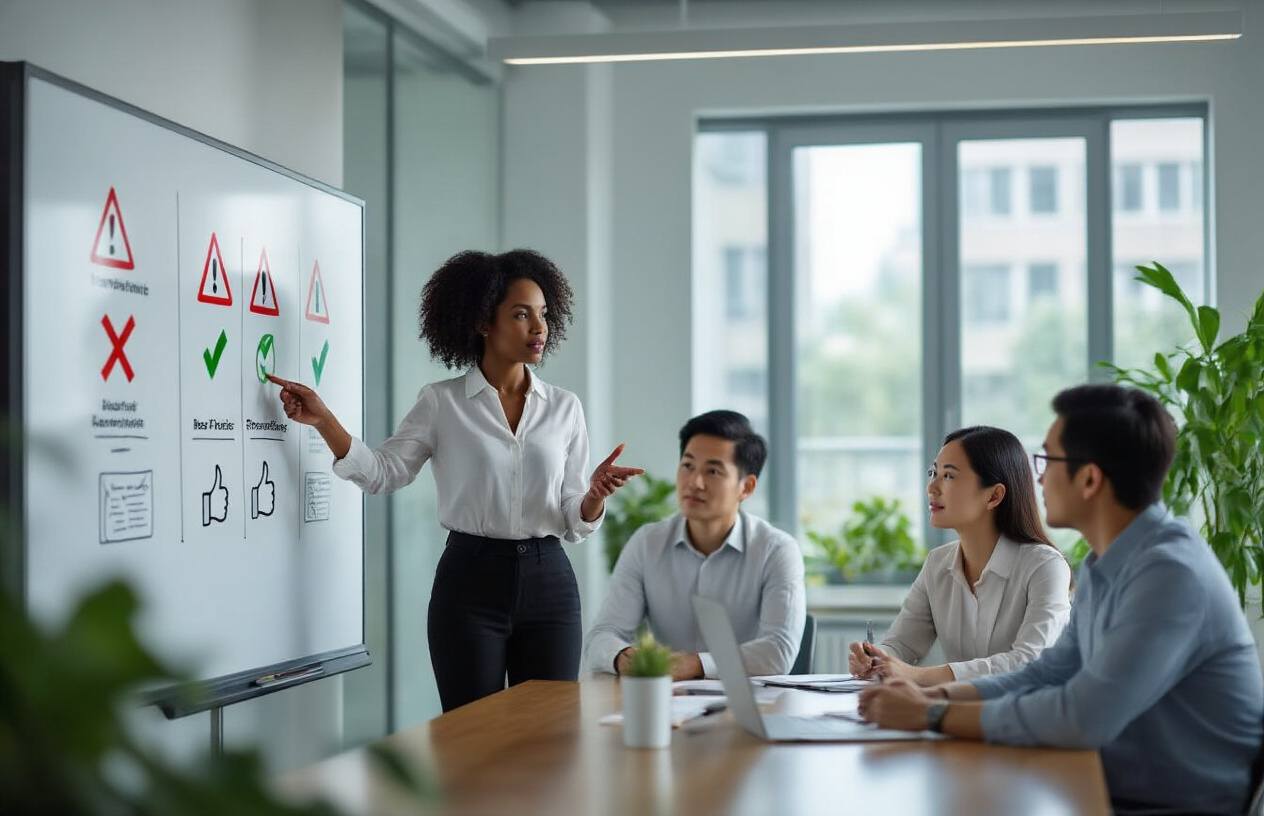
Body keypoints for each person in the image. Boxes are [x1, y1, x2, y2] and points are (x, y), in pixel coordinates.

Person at [858, 384, 1264, 816]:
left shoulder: (1170, 574)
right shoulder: (1106, 563)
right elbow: (1051, 671)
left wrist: (930, 715)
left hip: (1169, 804)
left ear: (1089, 478)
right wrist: (936, 697)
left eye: (1047, 460)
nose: (1036, 476)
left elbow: (1082, 715)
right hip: (1112, 786)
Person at [268, 248, 643, 712]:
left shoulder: (564, 407)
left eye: (543, 314)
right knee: (470, 737)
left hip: (550, 586)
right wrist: (325, 421)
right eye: (522, 314)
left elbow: (573, 518)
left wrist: (592, 497)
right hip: (470, 585)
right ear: (484, 321)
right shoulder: (441, 403)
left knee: (549, 739)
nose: (539, 327)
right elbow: (384, 473)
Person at [584, 410, 806, 681]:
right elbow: (602, 635)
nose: (694, 483)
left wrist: (694, 665)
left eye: (713, 471)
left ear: (746, 487)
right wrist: (621, 657)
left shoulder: (777, 550)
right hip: (669, 705)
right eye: (688, 466)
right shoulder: (647, 543)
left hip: (751, 706)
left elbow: (777, 651)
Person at [848, 426, 1071, 686]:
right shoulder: (937, 564)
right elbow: (902, 644)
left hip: (1029, 718)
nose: (932, 486)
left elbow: (1029, 662)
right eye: (933, 473)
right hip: (960, 714)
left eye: (949, 476)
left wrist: (917, 675)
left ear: (994, 495)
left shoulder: (1045, 566)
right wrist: (877, 660)